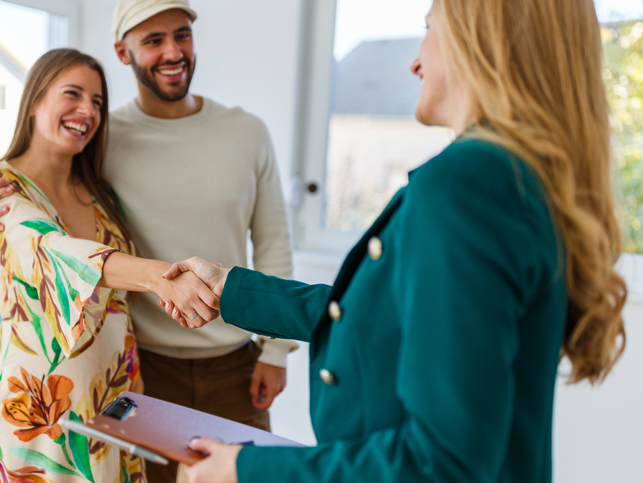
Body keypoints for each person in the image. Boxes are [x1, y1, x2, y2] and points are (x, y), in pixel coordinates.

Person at [158, 0, 628, 481]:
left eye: (428, 30)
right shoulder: (516, 177)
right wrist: (229, 289)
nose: (415, 62)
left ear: (479, 41)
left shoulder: (466, 184)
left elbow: (439, 463)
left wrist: (247, 468)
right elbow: (380, 318)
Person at [0, 1, 296, 482]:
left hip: (193, 367)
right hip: (90, 387)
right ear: (123, 52)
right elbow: (35, 247)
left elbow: (274, 240)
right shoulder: (81, 154)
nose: (172, 51)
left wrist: (276, 352)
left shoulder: (101, 175)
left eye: (182, 35)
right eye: (153, 40)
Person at [0, 48, 221, 483]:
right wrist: (163, 278)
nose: (88, 111)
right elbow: (52, 253)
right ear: (35, 101)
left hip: (112, 402)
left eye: (97, 102)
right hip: (33, 411)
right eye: (73, 94)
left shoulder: (99, 193)